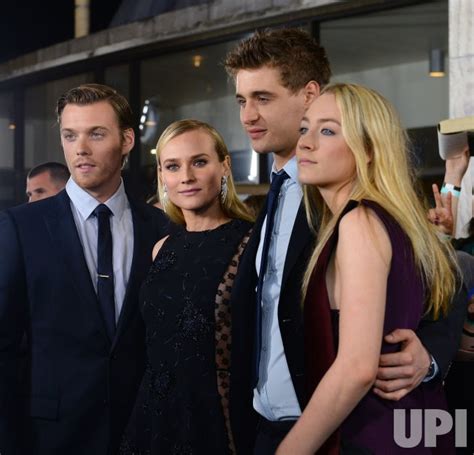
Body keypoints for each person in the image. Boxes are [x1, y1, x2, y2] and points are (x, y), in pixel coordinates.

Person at [224, 28, 467, 453]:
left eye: (262, 98)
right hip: (275, 423)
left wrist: (429, 357)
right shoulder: (271, 200)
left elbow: (445, 284)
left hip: (342, 427)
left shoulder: (354, 210)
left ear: (309, 93)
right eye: (242, 100)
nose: (247, 115)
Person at [276, 82, 458, 454]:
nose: (306, 143)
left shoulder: (360, 222)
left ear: (370, 150)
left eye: (327, 130)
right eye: (304, 128)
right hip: (413, 430)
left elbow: (356, 369)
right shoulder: (394, 223)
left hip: (375, 435)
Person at [0, 83, 169, 455]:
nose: (81, 148)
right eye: (70, 135)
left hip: (142, 432)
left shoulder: (161, 229)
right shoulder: (21, 227)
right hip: (48, 437)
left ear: (126, 140)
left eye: (96, 134)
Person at [120, 119, 253, 454]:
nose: (186, 177)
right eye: (172, 166)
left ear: (224, 166)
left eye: (199, 162)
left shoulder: (251, 242)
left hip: (219, 420)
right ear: (162, 177)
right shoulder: (161, 247)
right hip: (152, 417)